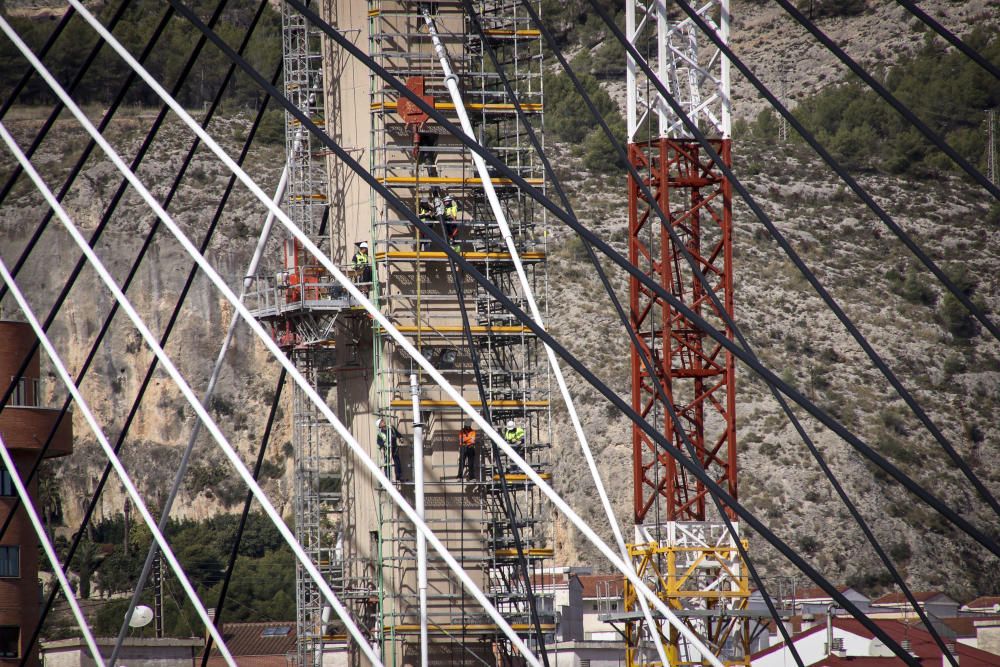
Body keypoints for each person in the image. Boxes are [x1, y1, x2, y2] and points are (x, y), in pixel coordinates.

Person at [376, 417, 403, 481]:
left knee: (397, 462)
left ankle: (399, 476)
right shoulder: (380, 434)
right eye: (381, 422)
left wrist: (401, 438)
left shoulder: (391, 428)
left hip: (394, 448)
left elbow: (398, 434)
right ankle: (387, 477)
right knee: (387, 463)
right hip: (387, 449)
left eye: (383, 420)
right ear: (380, 425)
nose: (383, 421)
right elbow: (379, 442)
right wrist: (382, 446)